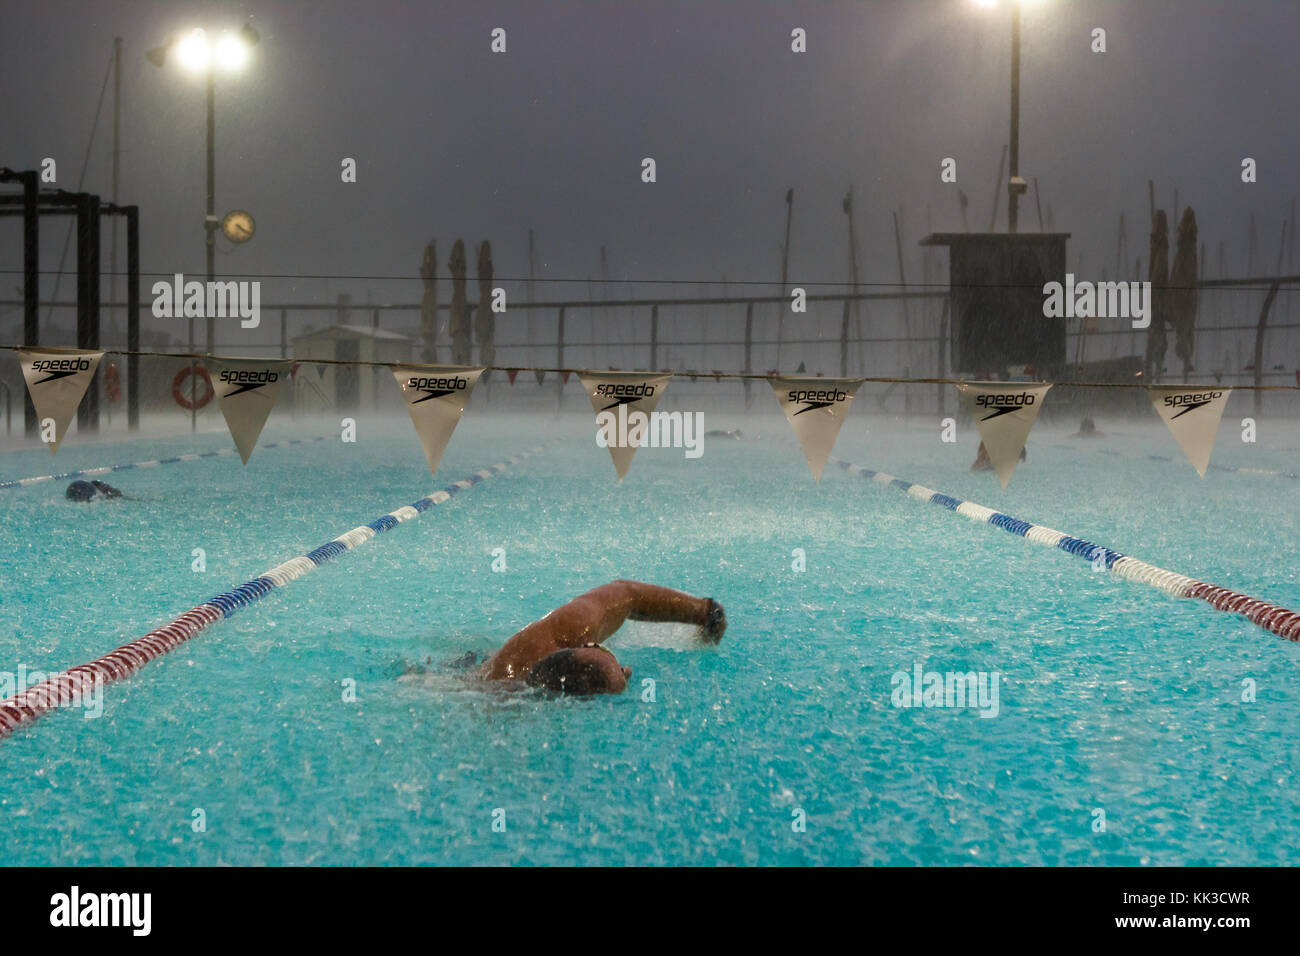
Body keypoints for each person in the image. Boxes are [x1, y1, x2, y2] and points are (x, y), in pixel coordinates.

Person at [478, 580, 726, 695]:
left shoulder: (574, 625)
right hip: (473, 673)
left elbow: (629, 594)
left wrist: (706, 612)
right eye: (621, 668)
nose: (627, 668)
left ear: (587, 645)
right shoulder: (504, 695)